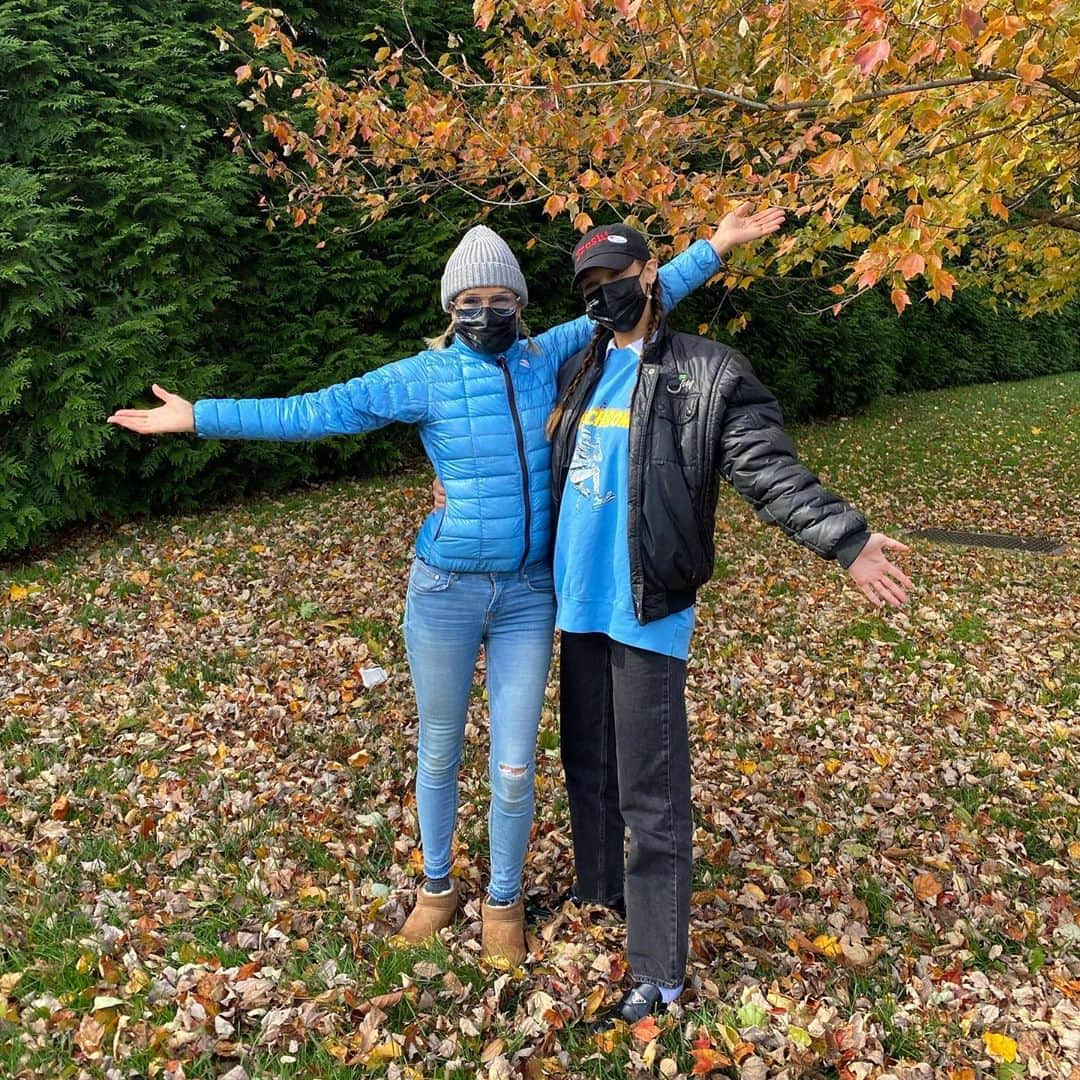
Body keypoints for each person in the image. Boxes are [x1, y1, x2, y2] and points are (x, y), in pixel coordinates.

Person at [106, 209, 782, 965]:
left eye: (501, 299)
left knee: (516, 759)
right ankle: (435, 888)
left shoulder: (551, 354)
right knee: (437, 750)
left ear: (521, 307)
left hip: (529, 594)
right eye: (470, 301)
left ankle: (502, 899)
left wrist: (716, 247)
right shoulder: (420, 378)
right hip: (445, 592)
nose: (485, 313)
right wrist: (199, 416)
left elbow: (641, 294)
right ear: (448, 309)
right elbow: (313, 411)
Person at [544, 224, 913, 1023]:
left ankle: (660, 972)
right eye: (589, 284)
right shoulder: (579, 367)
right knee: (589, 766)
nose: (602, 292)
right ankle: (600, 890)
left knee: (651, 793)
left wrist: (845, 541)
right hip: (576, 608)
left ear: (649, 274)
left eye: (615, 274)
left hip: (646, 610)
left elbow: (769, 471)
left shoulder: (705, 375)